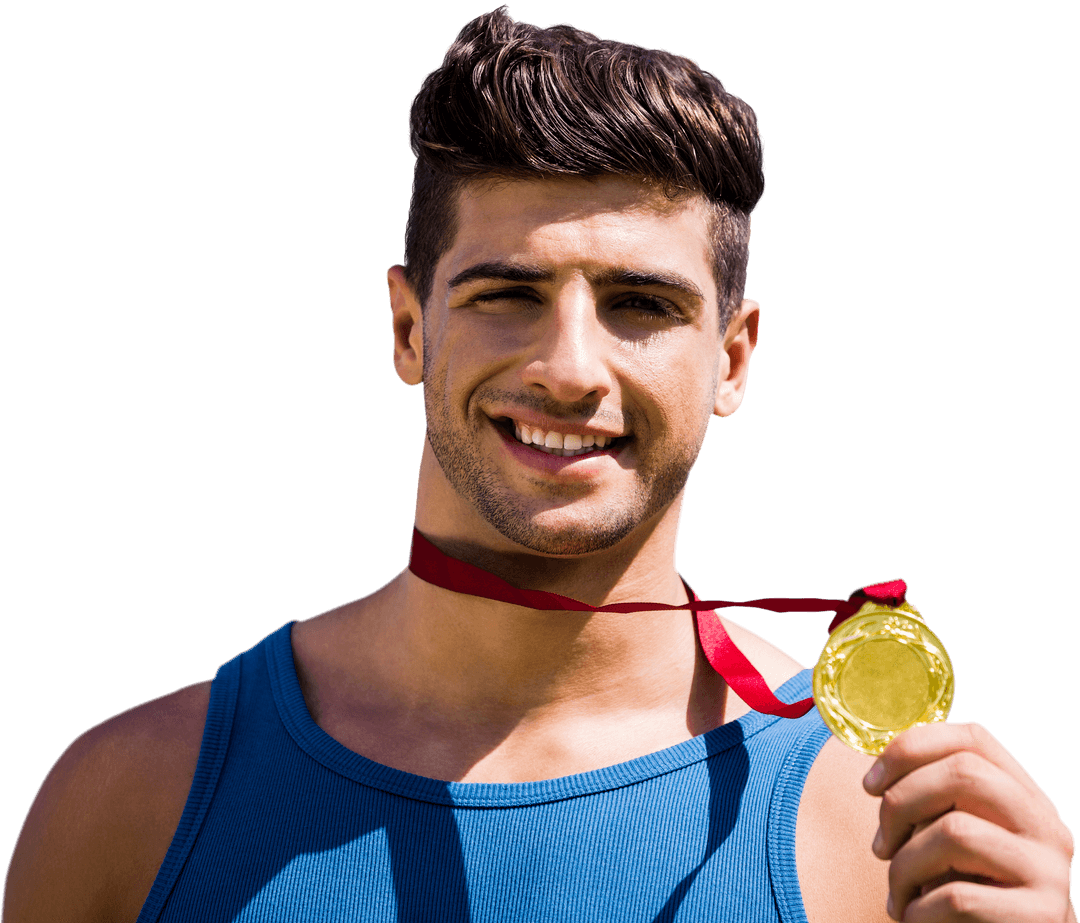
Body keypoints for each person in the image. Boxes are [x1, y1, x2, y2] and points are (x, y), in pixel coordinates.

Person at [4, 7, 1074, 922]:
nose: (569, 369)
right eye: (506, 294)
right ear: (409, 328)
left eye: (641, 305)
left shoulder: (888, 836)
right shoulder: (135, 798)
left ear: (733, 357)